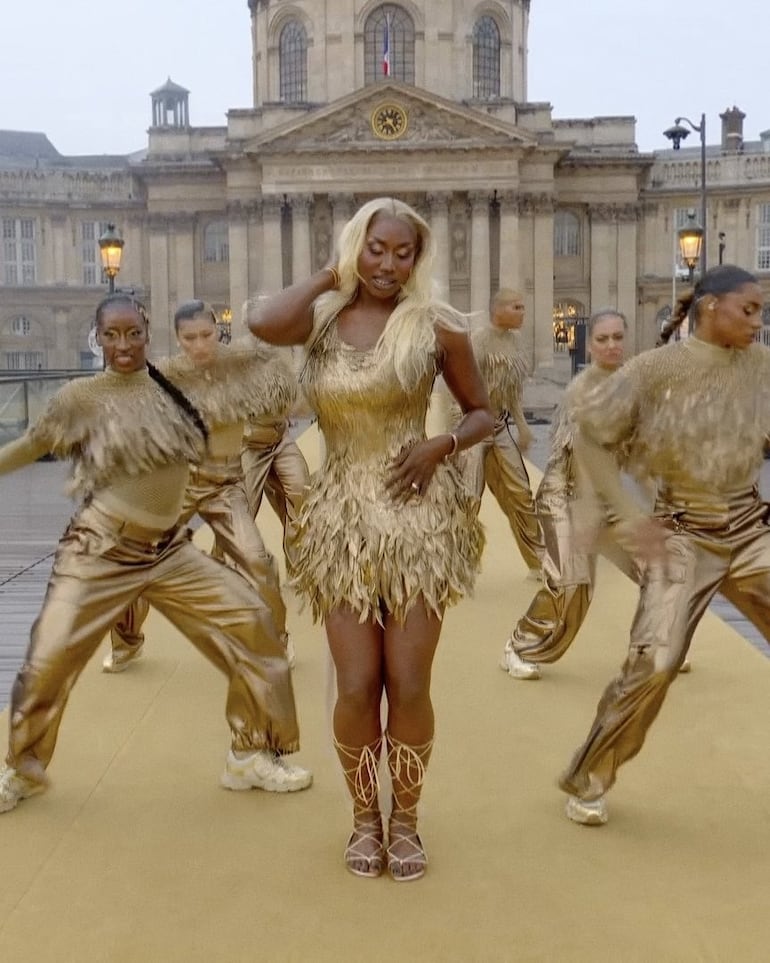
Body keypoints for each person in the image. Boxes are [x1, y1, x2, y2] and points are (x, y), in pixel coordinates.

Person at [247, 197, 493, 880]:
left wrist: (440, 443)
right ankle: (364, 818)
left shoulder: (436, 327)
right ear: (357, 245)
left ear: (418, 259)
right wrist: (335, 273)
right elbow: (264, 322)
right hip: (341, 523)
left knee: (407, 680)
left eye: (402, 252)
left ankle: (406, 820)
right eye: (376, 248)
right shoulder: (321, 321)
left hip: (418, 520)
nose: (388, 263)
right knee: (356, 682)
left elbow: (483, 415)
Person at [0, 293, 312, 814]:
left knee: (255, 625)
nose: (122, 345)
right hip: (101, 548)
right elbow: (32, 444)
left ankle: (251, 753)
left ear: (147, 333)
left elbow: (248, 401)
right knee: (48, 658)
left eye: (132, 334)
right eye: (111, 335)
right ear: (96, 338)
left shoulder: (175, 384)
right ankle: (21, 767)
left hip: (168, 550)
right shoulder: (82, 396)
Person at [558, 265, 768, 826]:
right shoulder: (653, 370)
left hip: (749, 527)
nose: (757, 320)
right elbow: (590, 437)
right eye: (747, 309)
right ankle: (588, 776)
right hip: (682, 534)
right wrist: (628, 514)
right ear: (708, 309)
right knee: (656, 662)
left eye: (760, 310)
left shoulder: (761, 366)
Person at [105, 299, 295, 673]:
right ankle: (127, 642)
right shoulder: (161, 375)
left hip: (225, 484)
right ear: (178, 339)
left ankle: (277, 639)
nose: (199, 345)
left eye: (206, 335)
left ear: (217, 331)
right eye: (189, 338)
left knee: (258, 561)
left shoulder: (240, 368)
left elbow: (280, 408)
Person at [499, 310, 632, 679]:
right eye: (603, 339)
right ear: (590, 346)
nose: (611, 345)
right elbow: (582, 460)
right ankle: (519, 645)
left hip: (603, 497)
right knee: (571, 585)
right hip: (565, 495)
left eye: (617, 338)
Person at [450, 288, 543, 579]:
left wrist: (522, 426)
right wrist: (458, 435)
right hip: (471, 427)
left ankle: (538, 562)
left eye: (523, 307)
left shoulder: (515, 344)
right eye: (516, 307)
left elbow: (512, 391)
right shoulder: (477, 342)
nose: (522, 312)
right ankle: (455, 564)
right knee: (467, 497)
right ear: (498, 309)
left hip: (500, 425)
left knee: (520, 492)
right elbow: (458, 387)